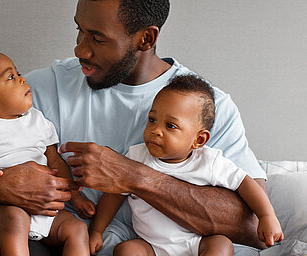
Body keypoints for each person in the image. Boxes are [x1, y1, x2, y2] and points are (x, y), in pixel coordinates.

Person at [0, 1, 268, 255]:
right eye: (79, 31)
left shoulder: (201, 107)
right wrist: (5, 185)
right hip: (54, 240)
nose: (80, 50)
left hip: (160, 251)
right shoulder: (41, 88)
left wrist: (134, 177)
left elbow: (251, 227)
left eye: (97, 38)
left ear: (145, 38)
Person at [88, 75, 283, 256]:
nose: (156, 130)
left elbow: (245, 183)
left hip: (197, 243)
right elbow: (113, 194)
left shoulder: (210, 161)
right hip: (150, 246)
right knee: (126, 250)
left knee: (221, 245)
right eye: (152, 120)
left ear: (198, 139)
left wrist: (266, 216)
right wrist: (97, 230)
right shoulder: (137, 156)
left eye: (170, 126)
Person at [0, 46, 93, 255]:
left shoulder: (36, 119)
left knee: (77, 228)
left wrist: (75, 196)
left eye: (18, 73)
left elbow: (54, 160)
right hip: (3, 210)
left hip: (45, 213)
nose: (22, 79)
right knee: (16, 219)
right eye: (11, 77)